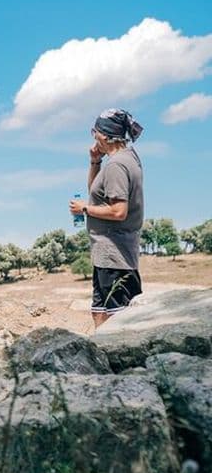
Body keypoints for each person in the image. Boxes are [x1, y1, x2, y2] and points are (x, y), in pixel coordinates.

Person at [69, 109, 144, 328]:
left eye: (95, 131)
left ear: (105, 135)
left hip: (115, 256)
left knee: (118, 321)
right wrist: (94, 162)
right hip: (106, 256)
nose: (93, 137)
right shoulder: (125, 158)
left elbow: (118, 211)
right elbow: (96, 193)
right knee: (100, 312)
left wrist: (85, 209)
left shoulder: (117, 166)